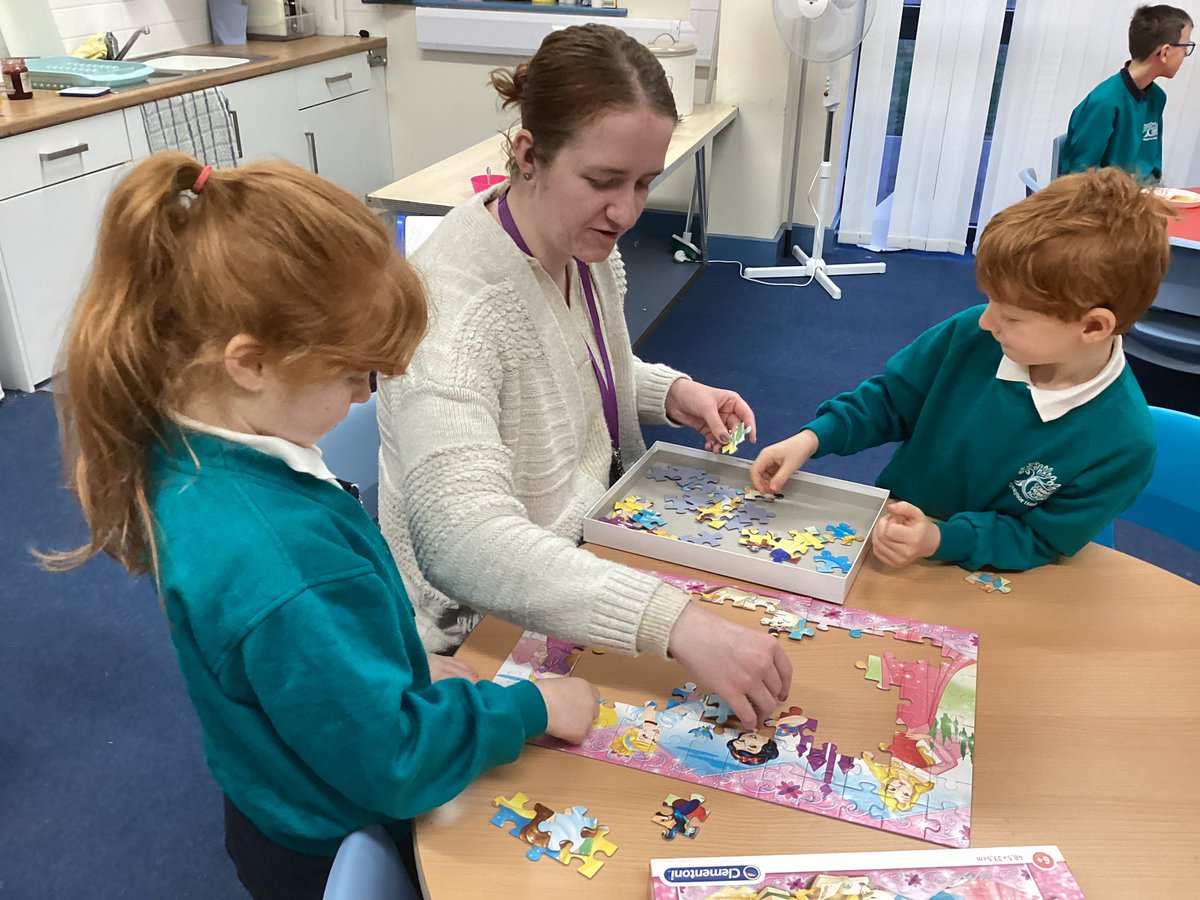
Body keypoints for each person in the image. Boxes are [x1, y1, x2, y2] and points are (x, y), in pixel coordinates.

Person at [43, 152, 599, 900]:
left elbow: (307, 666)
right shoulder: (282, 560)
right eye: (350, 376)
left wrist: (396, 665)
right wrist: (531, 706)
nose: (368, 396)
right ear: (250, 362)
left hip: (279, 784)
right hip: (336, 837)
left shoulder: (191, 449)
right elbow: (393, 759)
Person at [377, 23, 791, 728]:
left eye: (643, 182)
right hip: (478, 624)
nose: (628, 213)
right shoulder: (449, 309)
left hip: (589, 546)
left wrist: (672, 392)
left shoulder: (581, 243)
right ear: (528, 154)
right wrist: (676, 623)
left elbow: (571, 362)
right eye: (603, 181)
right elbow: (459, 539)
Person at [750, 168, 1171, 573]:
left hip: (985, 572)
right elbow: (890, 401)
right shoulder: (974, 333)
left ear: (1093, 326)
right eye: (989, 302)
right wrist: (813, 437)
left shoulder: (1124, 443)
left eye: (1012, 316)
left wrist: (940, 539)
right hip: (891, 536)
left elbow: (1038, 539)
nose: (986, 321)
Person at [1058, 4, 1194, 182]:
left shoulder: (1157, 98)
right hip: (1102, 203)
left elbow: (1152, 168)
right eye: (1186, 47)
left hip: (1141, 200)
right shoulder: (1104, 102)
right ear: (1165, 52)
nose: (1186, 54)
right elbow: (1080, 177)